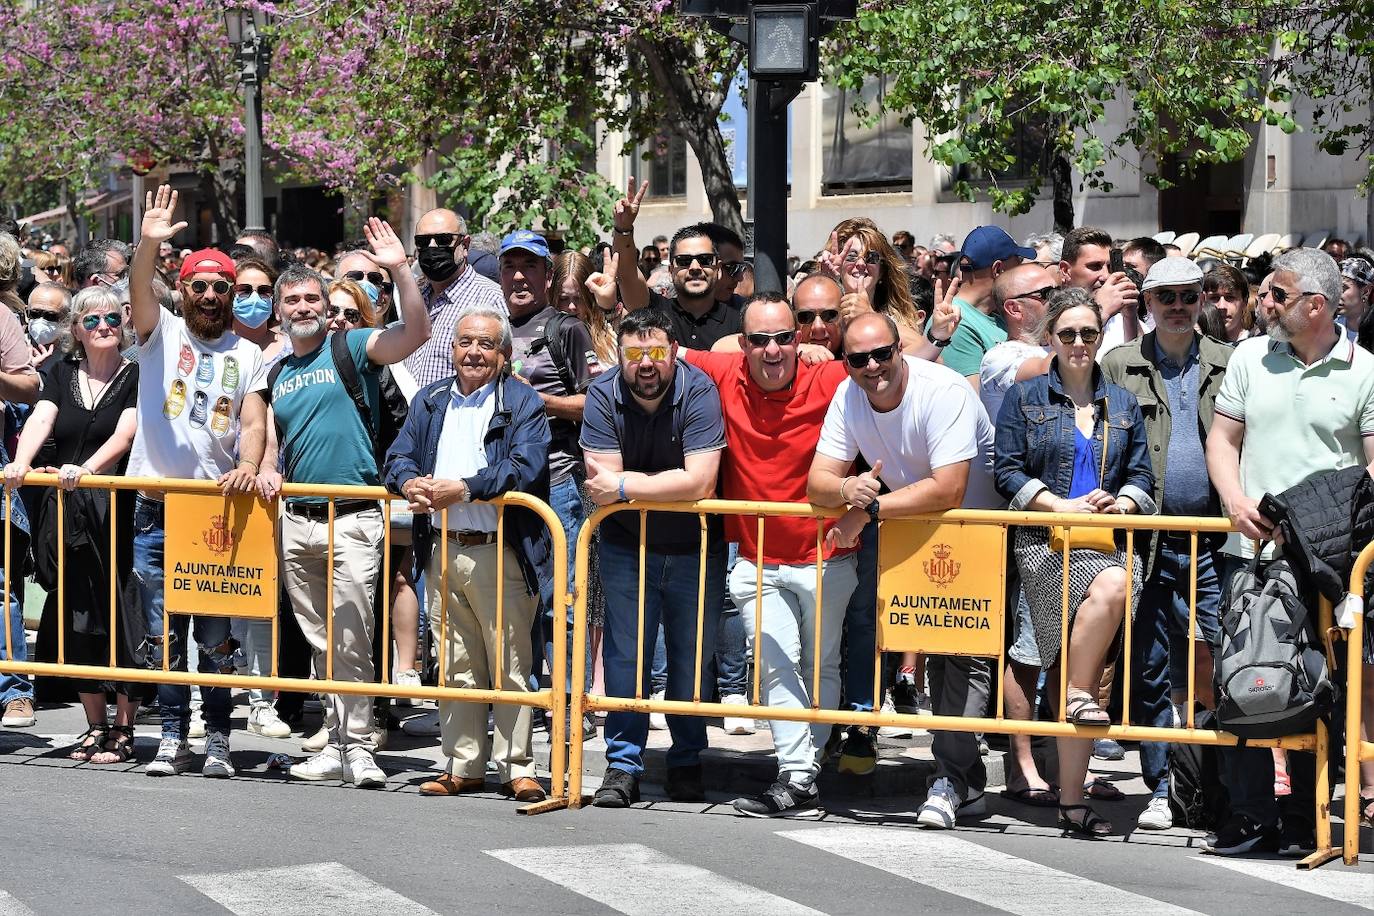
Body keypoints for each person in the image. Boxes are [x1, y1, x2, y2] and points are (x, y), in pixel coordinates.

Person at [1205, 247, 1374, 856]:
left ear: (1317, 306)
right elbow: (1223, 442)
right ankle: (1249, 817)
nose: (1266, 303)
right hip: (1246, 555)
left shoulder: (1366, 371)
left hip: (1326, 566)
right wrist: (1232, 499)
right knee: (1241, 681)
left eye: (1279, 294)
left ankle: (1307, 817)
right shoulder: (1250, 356)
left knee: (1318, 689)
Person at [809, 311, 1001, 829]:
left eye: (882, 353)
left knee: (960, 659)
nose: (873, 366)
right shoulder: (849, 396)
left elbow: (949, 489)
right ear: (846, 364)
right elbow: (818, 483)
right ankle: (965, 779)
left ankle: (955, 779)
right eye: (859, 359)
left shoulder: (945, 391)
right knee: (935, 659)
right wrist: (849, 490)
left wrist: (862, 511)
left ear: (901, 348)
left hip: (977, 528)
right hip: (914, 526)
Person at [260, 219, 428, 788]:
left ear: (324, 306)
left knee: (352, 633)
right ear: (279, 310)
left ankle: (359, 747)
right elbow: (275, 447)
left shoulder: (350, 346)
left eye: (312, 297)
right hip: (298, 521)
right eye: (293, 299)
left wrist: (400, 268)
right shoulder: (279, 372)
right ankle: (335, 741)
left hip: (353, 517)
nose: (303, 306)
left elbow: (414, 337)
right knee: (319, 638)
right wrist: (264, 471)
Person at [683, 293, 856, 818]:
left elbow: (908, 362)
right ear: (744, 344)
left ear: (799, 337)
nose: (774, 349)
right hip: (756, 559)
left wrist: (873, 314)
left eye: (785, 337)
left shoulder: (830, 377)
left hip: (828, 554)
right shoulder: (724, 365)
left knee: (821, 665)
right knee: (777, 666)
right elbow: (655, 345)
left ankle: (806, 770)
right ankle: (799, 776)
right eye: (760, 340)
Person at [993, 286, 1156, 837]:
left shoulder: (1124, 403)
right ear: (1050, 339)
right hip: (1044, 542)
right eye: (1069, 334)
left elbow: (1143, 478)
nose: (1081, 343)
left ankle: (1072, 731)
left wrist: (1125, 500)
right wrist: (1058, 503)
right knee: (1084, 662)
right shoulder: (1026, 397)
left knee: (1110, 593)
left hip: (1105, 543)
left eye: (1090, 333)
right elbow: (1007, 471)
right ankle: (1072, 791)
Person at [384, 304, 552, 801]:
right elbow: (398, 455)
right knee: (455, 664)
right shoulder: (431, 400)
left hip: (499, 550)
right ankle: (462, 765)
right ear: (452, 349)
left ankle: (518, 766)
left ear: (503, 355)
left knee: (511, 664)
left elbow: (525, 466)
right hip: (441, 547)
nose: (474, 352)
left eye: (485, 344)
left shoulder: (522, 402)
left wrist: (467, 489)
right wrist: (408, 481)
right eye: (465, 343)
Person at [127, 185, 268, 778]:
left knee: (214, 637)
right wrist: (148, 244)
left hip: (216, 511)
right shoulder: (160, 334)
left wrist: (251, 465)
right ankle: (169, 737)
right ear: (181, 290)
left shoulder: (251, 353)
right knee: (163, 635)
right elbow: (137, 293)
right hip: (157, 509)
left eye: (220, 287)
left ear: (232, 293)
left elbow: (255, 419)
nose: (210, 295)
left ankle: (216, 740)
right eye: (199, 285)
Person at [1101, 258, 1232, 831]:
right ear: (1146, 303)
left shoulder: (1232, 364)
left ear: (1202, 298)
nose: (1178, 306)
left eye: (1188, 296)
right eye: (1166, 297)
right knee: (1149, 665)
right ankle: (1161, 785)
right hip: (1144, 537)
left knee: (1224, 659)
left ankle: (1218, 786)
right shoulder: (1118, 365)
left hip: (1217, 536)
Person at [580, 308, 726, 807]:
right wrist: (664, 486)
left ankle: (687, 757)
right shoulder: (601, 394)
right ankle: (622, 766)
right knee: (626, 657)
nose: (647, 364)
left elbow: (702, 480)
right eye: (636, 354)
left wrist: (624, 486)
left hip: (695, 547)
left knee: (692, 658)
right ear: (619, 356)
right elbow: (598, 490)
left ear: (673, 354)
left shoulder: (700, 389)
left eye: (657, 353)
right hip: (625, 544)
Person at [3, 286, 138, 761]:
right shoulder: (60, 373)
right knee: (77, 612)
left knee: (122, 614)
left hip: (118, 509)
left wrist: (89, 470)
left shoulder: (136, 373)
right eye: (91, 321)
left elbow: (124, 434)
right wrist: (19, 464)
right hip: (69, 506)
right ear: (76, 330)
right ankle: (94, 724)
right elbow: (42, 417)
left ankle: (125, 727)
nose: (104, 328)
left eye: (112, 320)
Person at [610, 182, 740, 350]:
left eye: (705, 260)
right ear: (671, 270)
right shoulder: (655, 313)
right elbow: (627, 275)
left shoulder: (740, 319)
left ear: (718, 268)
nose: (695, 267)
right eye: (684, 261)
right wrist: (624, 228)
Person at [403, 208, 506, 389]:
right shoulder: (415, 299)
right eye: (423, 241)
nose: (432, 247)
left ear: (465, 246)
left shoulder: (491, 299)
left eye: (443, 240)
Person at [931, 225, 1036, 383]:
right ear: (998, 269)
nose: (1021, 268)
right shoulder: (954, 323)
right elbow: (976, 401)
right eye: (1018, 261)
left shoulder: (997, 315)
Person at [1059, 227, 1140, 355]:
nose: (1106, 276)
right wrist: (1100, 312)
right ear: (1065, 271)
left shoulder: (1121, 319)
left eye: (1109, 267)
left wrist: (1130, 317)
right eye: (1095, 266)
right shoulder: (1052, 320)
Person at [24, 282, 70, 376]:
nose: (41, 321)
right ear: (26, 313)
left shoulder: (73, 356)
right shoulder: (10, 347)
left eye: (50, 316)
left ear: (67, 319)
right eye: (35, 314)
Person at [1202, 264, 1253, 344]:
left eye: (1230, 298)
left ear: (1244, 302)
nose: (1222, 306)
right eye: (1214, 298)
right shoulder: (1195, 346)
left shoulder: (1255, 347)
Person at [1338, 257, 1374, 341]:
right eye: (1336, 287)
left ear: (1366, 291)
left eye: (1344, 288)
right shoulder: (1331, 329)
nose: (1337, 293)